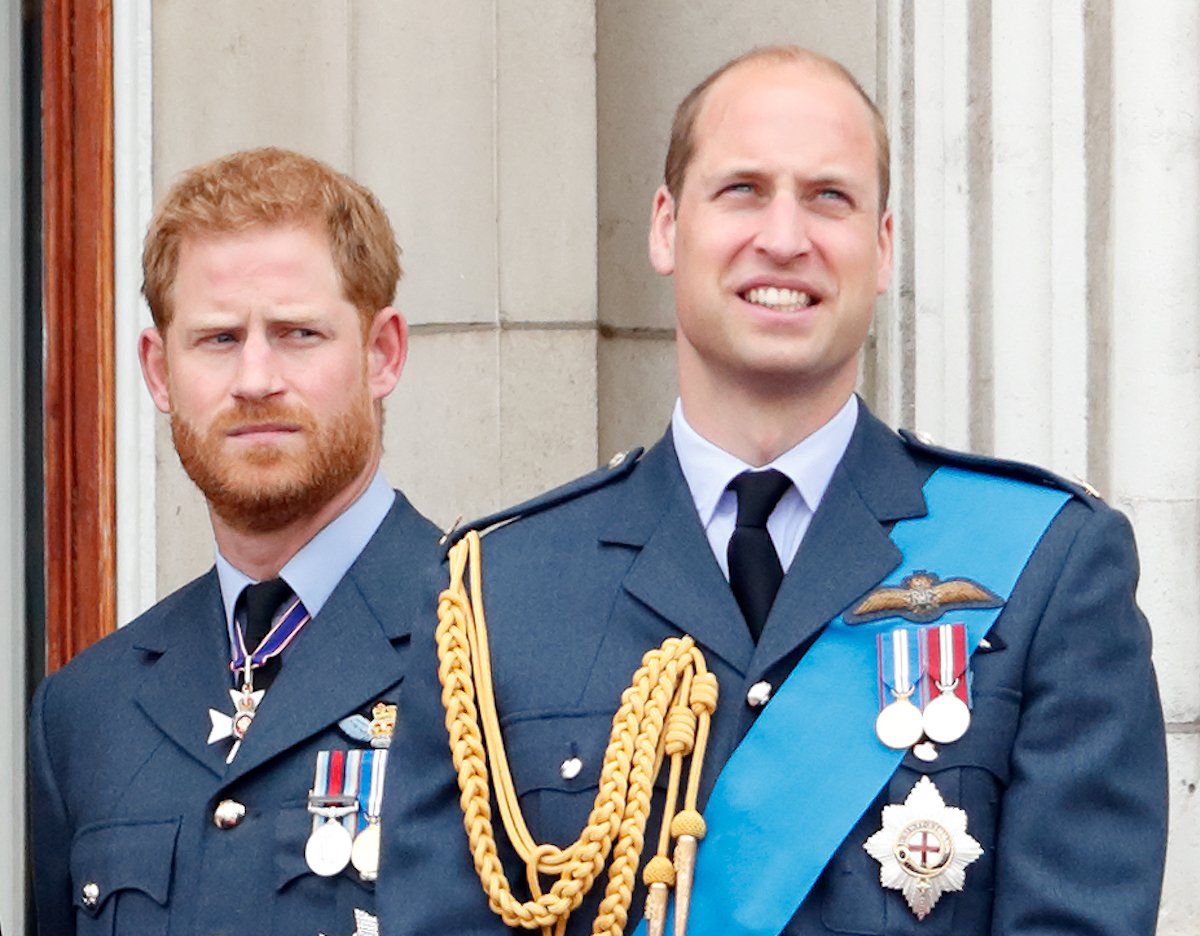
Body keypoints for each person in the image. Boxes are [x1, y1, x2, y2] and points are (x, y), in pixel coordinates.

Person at [380, 46, 1169, 935]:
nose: (785, 237)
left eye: (829, 196)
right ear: (666, 228)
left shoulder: (1047, 570)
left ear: (882, 248)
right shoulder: (499, 592)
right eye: (743, 190)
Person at [29, 147, 440, 936]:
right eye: (218, 339)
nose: (255, 378)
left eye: (296, 333)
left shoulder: (493, 648)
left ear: (382, 352)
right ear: (158, 369)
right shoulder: (84, 714)